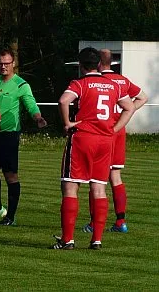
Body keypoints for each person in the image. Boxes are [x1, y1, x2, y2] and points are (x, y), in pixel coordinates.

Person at [52, 47, 135, 250]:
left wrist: (67, 123)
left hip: (83, 138)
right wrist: (115, 128)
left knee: (71, 187)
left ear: (81, 66)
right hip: (105, 141)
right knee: (99, 187)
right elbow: (130, 107)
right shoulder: (113, 85)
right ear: (99, 64)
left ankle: (68, 240)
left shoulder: (80, 84)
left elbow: (64, 100)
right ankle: (96, 240)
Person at [82, 49, 148, 233]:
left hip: (102, 132)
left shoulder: (96, 81)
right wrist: (123, 118)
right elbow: (143, 97)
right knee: (115, 177)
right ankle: (121, 221)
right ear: (112, 62)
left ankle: (94, 223)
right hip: (118, 132)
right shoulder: (122, 80)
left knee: (96, 179)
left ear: (96, 62)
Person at [0, 48, 47, 226]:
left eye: (6, 63)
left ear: (13, 64)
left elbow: (30, 104)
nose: (3, 66)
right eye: (0, 63)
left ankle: (11, 215)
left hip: (9, 135)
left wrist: (38, 118)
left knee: (10, 174)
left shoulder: (21, 84)